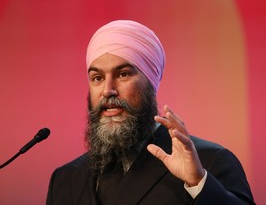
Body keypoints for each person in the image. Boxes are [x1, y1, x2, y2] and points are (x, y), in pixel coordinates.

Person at [46, 20, 255, 205]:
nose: (108, 90)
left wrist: (198, 183)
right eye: (97, 78)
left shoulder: (208, 161)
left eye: (123, 74)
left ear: (151, 83)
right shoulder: (67, 179)